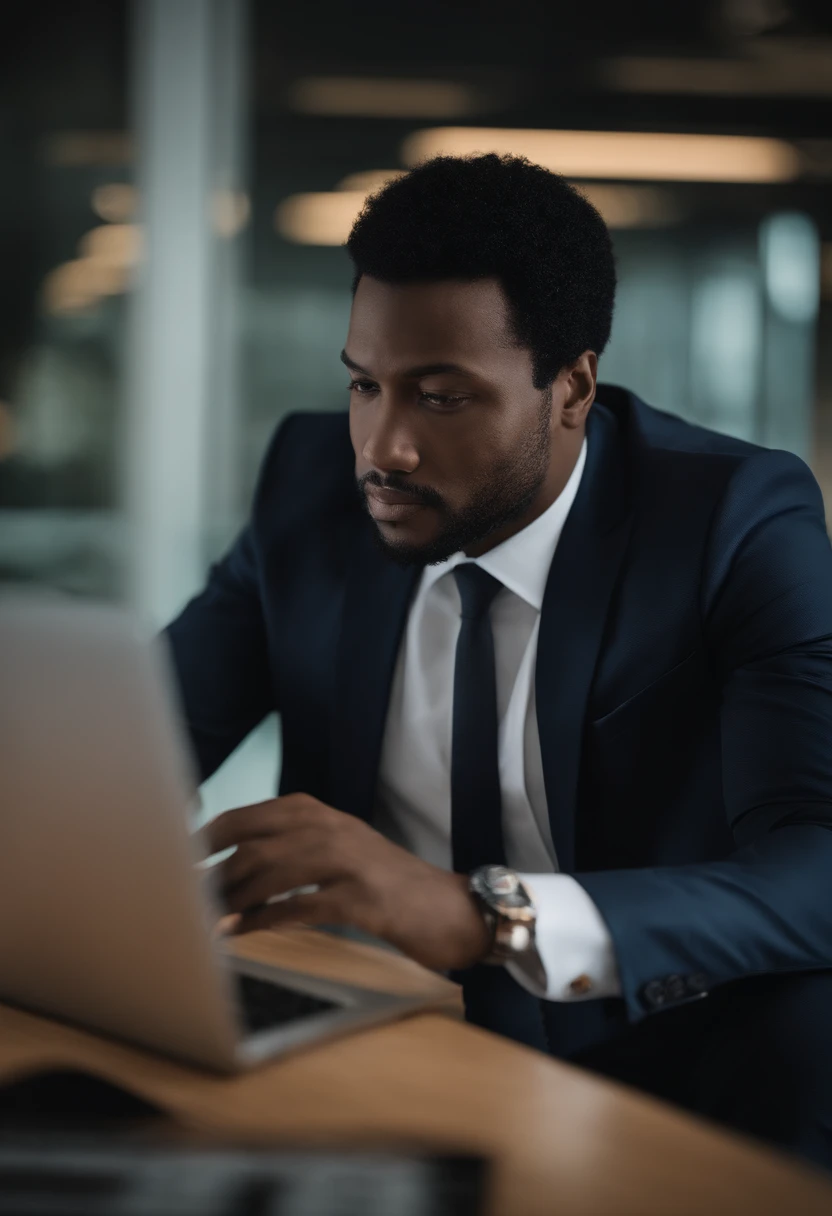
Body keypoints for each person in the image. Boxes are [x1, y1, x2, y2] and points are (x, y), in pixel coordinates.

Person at [166, 153, 832, 1169]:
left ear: (570, 386)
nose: (380, 447)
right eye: (363, 384)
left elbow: (817, 867)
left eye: (440, 397)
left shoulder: (732, 523)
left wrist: (485, 915)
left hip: (653, 1045)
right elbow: (139, 743)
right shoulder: (310, 483)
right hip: (362, 1027)